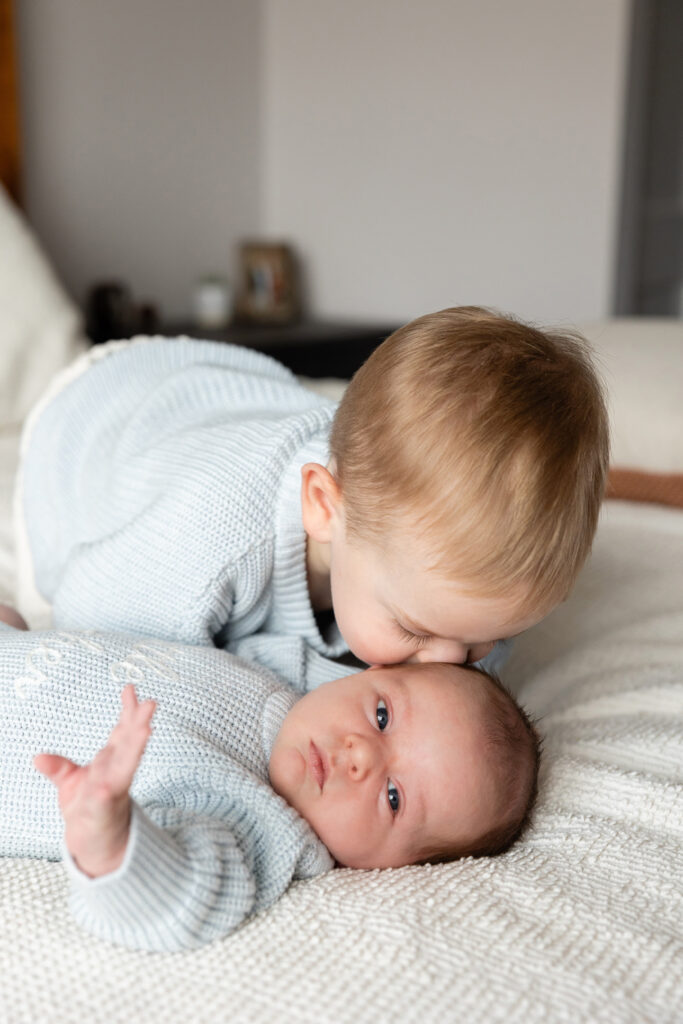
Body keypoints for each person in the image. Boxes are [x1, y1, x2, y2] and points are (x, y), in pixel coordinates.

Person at [16, 306, 608, 677]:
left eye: (489, 641)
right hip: (96, 417)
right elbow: (89, 633)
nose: (450, 664)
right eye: (414, 630)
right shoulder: (212, 540)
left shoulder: (436, 598)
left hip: (235, 403)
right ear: (324, 507)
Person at [0, 609, 539, 952]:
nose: (360, 757)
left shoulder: (264, 827)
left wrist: (110, 835)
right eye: (381, 717)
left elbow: (186, 895)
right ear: (371, 672)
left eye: (393, 797)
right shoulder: (279, 681)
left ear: (387, 868)